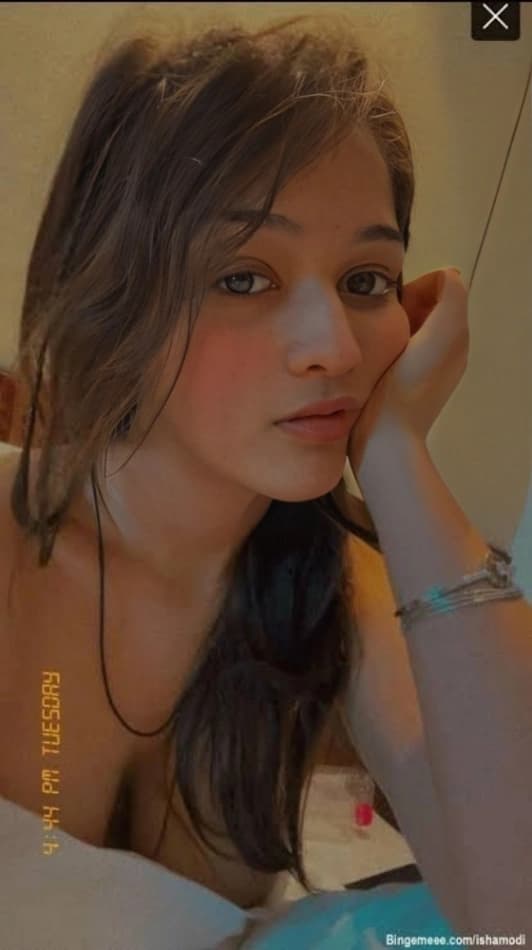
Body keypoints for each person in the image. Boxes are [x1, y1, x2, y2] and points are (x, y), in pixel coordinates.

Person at [1, 11, 531, 948]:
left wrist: (397, 455)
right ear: (111, 293)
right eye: (244, 278)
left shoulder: (337, 590)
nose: (335, 348)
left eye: (367, 280)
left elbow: (514, 913)